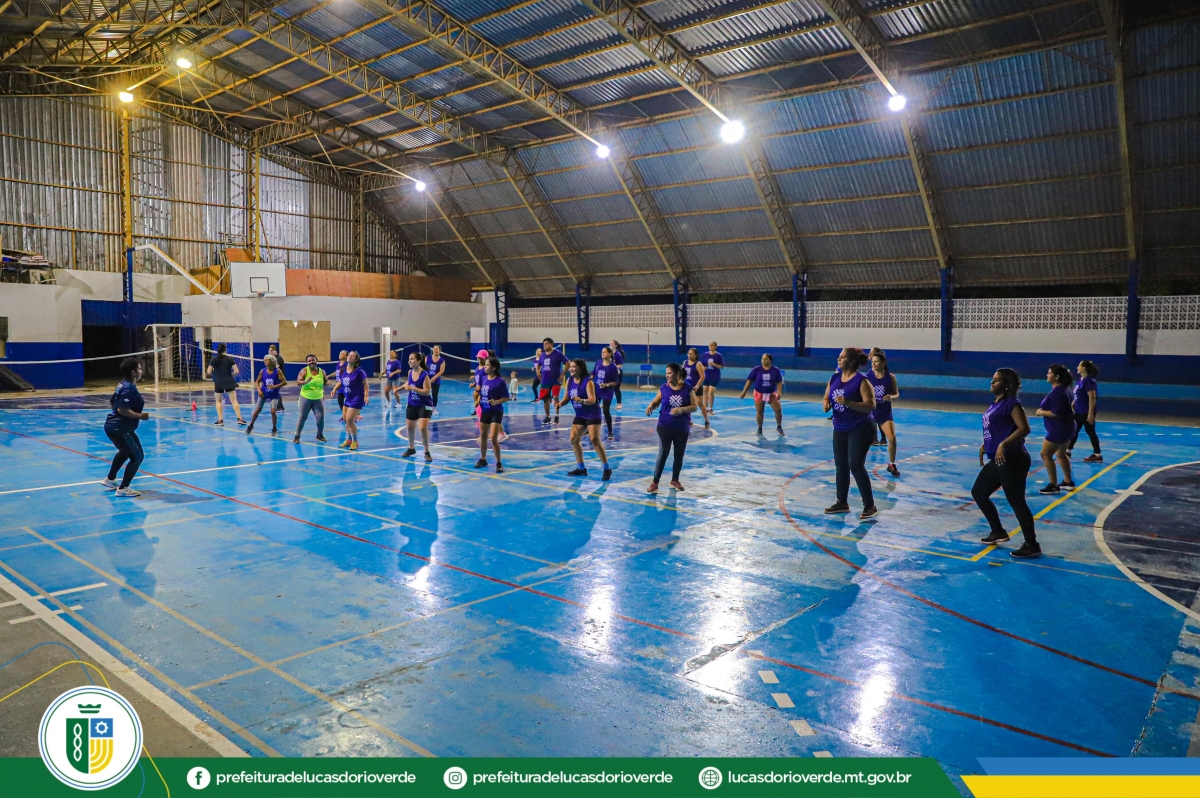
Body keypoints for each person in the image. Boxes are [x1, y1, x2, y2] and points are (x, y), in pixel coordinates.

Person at [973, 368, 1039, 558]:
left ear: (1007, 384)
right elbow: (998, 428)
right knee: (979, 492)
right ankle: (998, 531)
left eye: (997, 380)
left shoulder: (1012, 403)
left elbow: (1024, 428)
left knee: (1016, 501)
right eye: (992, 379)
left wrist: (1003, 444)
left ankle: (1032, 544)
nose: (992, 382)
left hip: (1013, 458)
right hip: (999, 458)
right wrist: (986, 445)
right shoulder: (995, 404)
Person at [823, 347, 878, 519]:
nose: (838, 359)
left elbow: (871, 405)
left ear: (852, 361)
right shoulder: (834, 378)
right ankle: (842, 502)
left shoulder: (862, 381)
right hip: (840, 427)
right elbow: (827, 396)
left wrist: (849, 403)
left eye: (842, 357)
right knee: (841, 465)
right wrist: (826, 404)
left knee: (855, 465)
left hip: (861, 427)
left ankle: (869, 505)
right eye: (839, 357)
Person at [645, 363, 698, 493]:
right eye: (666, 373)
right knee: (663, 452)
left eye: (669, 373)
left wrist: (682, 409)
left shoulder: (688, 389)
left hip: (682, 427)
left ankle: (675, 479)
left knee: (679, 454)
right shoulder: (663, 388)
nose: (667, 376)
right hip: (664, 426)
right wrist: (651, 406)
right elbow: (656, 402)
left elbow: (694, 406)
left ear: (677, 374)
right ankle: (655, 482)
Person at [102, 357, 150, 498]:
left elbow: (112, 401)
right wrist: (140, 416)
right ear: (133, 372)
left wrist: (116, 416)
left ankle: (110, 479)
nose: (141, 371)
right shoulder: (129, 388)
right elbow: (122, 409)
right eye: (139, 368)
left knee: (125, 452)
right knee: (137, 457)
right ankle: (123, 488)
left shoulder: (122, 384)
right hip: (119, 429)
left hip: (117, 427)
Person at [557, 359, 612, 480]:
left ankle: (607, 468)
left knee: (594, 439)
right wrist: (560, 404)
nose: (571, 369)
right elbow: (567, 397)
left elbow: (593, 400)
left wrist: (581, 400)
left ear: (580, 368)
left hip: (592, 414)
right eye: (570, 367)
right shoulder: (570, 380)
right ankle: (581, 468)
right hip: (580, 414)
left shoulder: (588, 382)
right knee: (573, 439)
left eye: (574, 367)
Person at [1035, 364, 1075, 494]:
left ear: (1056, 377)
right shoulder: (1065, 389)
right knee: (1061, 454)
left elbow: (1056, 413)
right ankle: (1068, 482)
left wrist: (1041, 412)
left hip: (1058, 430)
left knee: (1045, 454)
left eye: (1049, 373)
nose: (1047, 375)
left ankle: (1053, 485)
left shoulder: (1058, 392)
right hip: (1067, 428)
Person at [867, 351, 900, 476]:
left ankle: (891, 464)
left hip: (884, 413)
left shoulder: (890, 377)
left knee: (892, 438)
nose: (873, 364)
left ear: (883, 363)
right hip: (869, 413)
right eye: (872, 362)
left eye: (876, 361)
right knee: (861, 441)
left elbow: (896, 393)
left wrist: (891, 397)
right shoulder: (868, 377)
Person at [476, 356, 509, 473]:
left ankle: (499, 462)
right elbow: (481, 393)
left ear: (494, 368)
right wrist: (478, 400)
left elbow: (506, 397)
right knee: (483, 436)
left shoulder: (500, 381)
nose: (485, 367)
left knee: (493, 438)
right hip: (485, 410)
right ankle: (483, 459)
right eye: (485, 364)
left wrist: (496, 402)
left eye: (487, 365)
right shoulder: (483, 379)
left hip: (496, 411)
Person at [740, 353, 785, 436]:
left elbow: (779, 382)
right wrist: (744, 391)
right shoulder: (756, 369)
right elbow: (750, 380)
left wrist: (779, 392)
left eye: (766, 359)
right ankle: (760, 428)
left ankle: (779, 427)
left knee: (778, 410)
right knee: (760, 411)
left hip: (771, 394)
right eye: (762, 359)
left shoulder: (775, 370)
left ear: (770, 361)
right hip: (759, 393)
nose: (763, 360)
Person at [401, 351, 434, 462]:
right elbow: (408, 384)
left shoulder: (424, 375)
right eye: (409, 359)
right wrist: (398, 389)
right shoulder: (410, 372)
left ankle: (427, 452)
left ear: (418, 361)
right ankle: (411, 448)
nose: (409, 361)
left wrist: (413, 388)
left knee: (422, 428)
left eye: (412, 359)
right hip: (412, 404)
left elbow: (427, 391)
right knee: (410, 428)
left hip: (424, 405)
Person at [1069, 360, 1102, 462]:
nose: (1077, 367)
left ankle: (1097, 454)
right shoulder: (1081, 380)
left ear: (1084, 368)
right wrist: (1074, 402)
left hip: (1086, 411)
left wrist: (1090, 414)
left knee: (1090, 431)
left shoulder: (1088, 381)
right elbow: (1078, 394)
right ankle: (1068, 450)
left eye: (1079, 366)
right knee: (1074, 430)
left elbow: (1092, 397)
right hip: (1078, 410)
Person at [246, 354, 287, 435]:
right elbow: (257, 382)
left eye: (267, 360)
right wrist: (259, 391)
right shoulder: (263, 371)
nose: (265, 361)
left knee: (273, 411)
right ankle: (251, 425)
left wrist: (275, 386)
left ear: (272, 361)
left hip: (274, 393)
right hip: (263, 393)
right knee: (258, 409)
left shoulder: (277, 371)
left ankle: (274, 428)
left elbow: (284, 382)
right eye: (264, 360)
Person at [206, 343, 245, 426]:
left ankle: (220, 420)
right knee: (234, 401)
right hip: (229, 381)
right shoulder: (230, 359)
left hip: (218, 381)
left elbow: (208, 371)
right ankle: (239, 419)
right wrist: (231, 374)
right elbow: (236, 371)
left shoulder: (214, 359)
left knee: (218, 401)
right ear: (225, 349)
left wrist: (216, 373)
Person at [293, 354, 327, 443]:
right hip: (306, 397)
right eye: (309, 361)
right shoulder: (304, 371)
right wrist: (306, 381)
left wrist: (327, 383)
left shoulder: (322, 372)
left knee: (320, 418)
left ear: (316, 361)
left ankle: (319, 435)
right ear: (306, 362)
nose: (311, 362)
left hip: (318, 398)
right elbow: (298, 382)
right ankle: (297, 436)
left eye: (313, 360)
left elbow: (325, 382)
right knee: (302, 417)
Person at [339, 350, 368, 450]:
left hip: (357, 399)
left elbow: (365, 384)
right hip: (348, 399)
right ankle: (348, 440)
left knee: (350, 421)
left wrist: (366, 396)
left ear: (356, 360)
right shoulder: (344, 370)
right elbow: (341, 381)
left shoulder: (359, 371)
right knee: (345, 420)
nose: (350, 357)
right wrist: (334, 389)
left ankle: (355, 442)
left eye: (353, 356)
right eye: (349, 355)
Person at [537, 338, 569, 425]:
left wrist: (562, 375)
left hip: (555, 380)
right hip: (545, 381)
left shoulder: (558, 353)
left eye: (547, 343)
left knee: (555, 397)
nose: (545, 345)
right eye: (544, 344)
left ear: (551, 344)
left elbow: (567, 363)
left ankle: (557, 416)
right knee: (545, 399)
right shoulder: (542, 355)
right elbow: (538, 365)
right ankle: (548, 417)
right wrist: (538, 374)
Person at [593, 347, 620, 440]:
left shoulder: (613, 367)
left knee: (605, 410)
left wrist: (606, 385)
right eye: (602, 352)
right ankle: (590, 428)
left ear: (609, 353)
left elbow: (615, 381)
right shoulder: (598, 363)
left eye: (604, 352)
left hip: (607, 391)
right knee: (593, 409)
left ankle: (610, 431)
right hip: (597, 390)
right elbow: (593, 374)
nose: (603, 353)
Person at [683, 347, 710, 429]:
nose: (689, 355)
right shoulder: (685, 362)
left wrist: (697, 386)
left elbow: (702, 376)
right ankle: (689, 420)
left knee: (700, 403)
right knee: (686, 403)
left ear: (696, 355)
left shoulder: (698, 364)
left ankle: (707, 421)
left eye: (691, 354)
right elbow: (682, 374)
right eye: (689, 353)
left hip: (696, 387)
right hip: (687, 386)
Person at [698, 341, 723, 416]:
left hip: (715, 376)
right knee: (705, 390)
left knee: (711, 391)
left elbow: (721, 366)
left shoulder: (718, 355)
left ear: (715, 346)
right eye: (710, 345)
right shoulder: (705, 354)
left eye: (712, 345)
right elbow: (702, 365)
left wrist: (714, 364)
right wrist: (703, 368)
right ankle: (705, 408)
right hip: (706, 375)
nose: (711, 346)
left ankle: (711, 408)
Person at [427, 344, 446, 417]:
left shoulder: (442, 360)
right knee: (425, 393)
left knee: (435, 394)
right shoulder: (428, 357)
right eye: (434, 349)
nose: (435, 350)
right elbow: (423, 367)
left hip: (436, 379)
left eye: (436, 349)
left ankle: (433, 408)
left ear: (440, 350)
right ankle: (424, 407)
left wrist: (434, 378)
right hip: (427, 378)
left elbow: (441, 371)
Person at [267, 345, 286, 414]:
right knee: (276, 391)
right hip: (275, 378)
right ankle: (281, 407)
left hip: (280, 378)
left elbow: (275, 368)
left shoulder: (278, 358)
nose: (271, 352)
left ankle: (278, 407)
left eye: (272, 350)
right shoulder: (271, 359)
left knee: (275, 391)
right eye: (270, 350)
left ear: (276, 351)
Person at [333, 350, 348, 418]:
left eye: (342, 354)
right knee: (340, 400)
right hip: (339, 386)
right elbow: (336, 372)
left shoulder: (347, 364)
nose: (340, 355)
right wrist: (327, 376)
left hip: (345, 385)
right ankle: (344, 414)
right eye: (340, 353)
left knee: (349, 400)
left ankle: (355, 414)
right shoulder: (338, 364)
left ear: (346, 356)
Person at [610, 340, 625, 409]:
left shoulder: (618, 354)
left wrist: (613, 368)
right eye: (610, 343)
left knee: (616, 388)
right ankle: (606, 402)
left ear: (615, 345)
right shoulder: (609, 354)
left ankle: (619, 403)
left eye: (612, 343)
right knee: (608, 388)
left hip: (617, 373)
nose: (610, 344)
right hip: (610, 374)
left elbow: (620, 365)